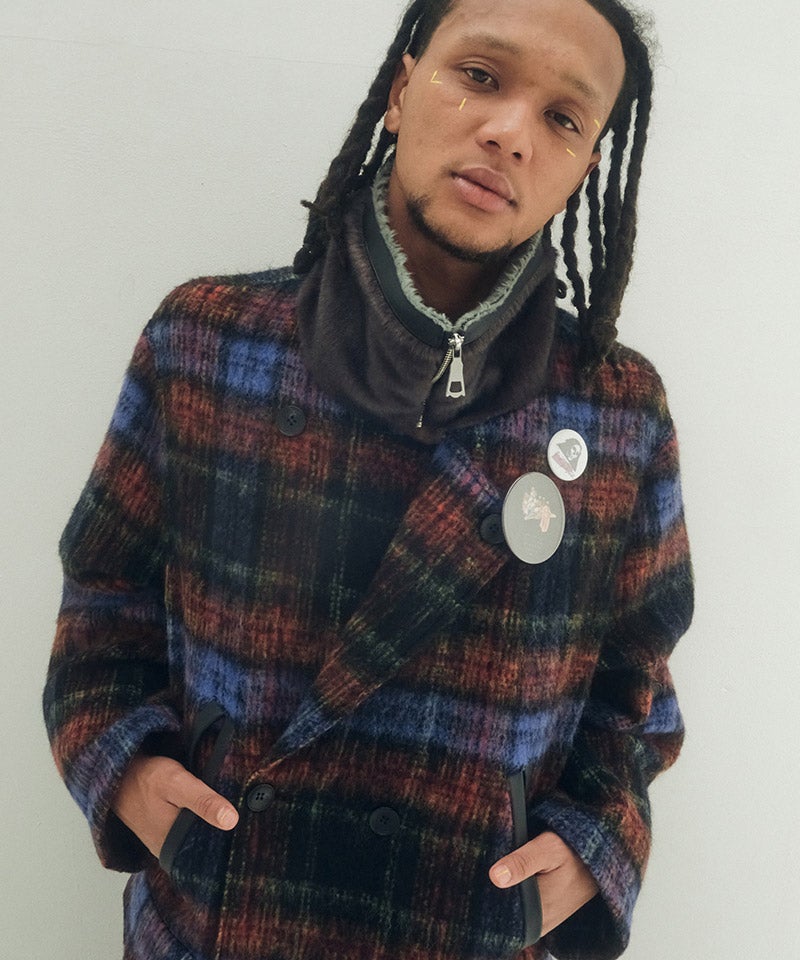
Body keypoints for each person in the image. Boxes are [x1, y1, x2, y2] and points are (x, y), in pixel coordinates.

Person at [43, 0, 693, 958]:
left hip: (465, 927)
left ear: (584, 165)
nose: (510, 132)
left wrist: (595, 846)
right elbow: (103, 600)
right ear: (402, 88)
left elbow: (636, 682)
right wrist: (128, 772)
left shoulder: (618, 411)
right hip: (218, 922)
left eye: (562, 117)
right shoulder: (206, 341)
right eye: (481, 76)